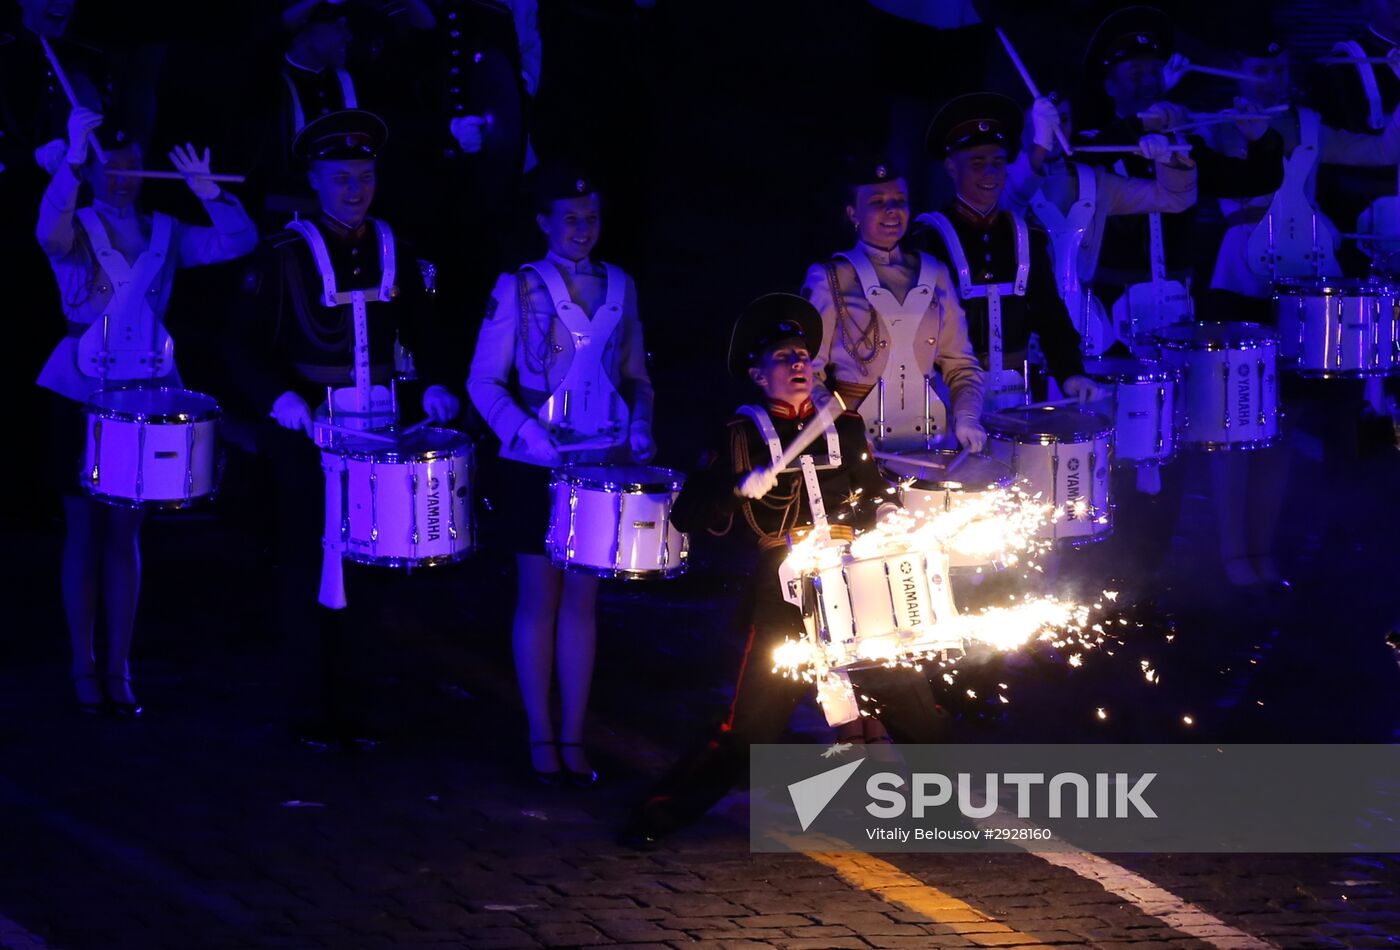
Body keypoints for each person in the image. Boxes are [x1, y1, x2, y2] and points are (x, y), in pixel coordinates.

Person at [622, 293, 948, 848]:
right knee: (751, 726)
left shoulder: (841, 427)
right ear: (757, 373)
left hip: (853, 586)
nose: (799, 364)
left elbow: (873, 494)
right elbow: (689, 514)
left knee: (913, 704)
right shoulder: (740, 435)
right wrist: (733, 488)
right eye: (782, 357)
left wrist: (891, 513)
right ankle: (665, 809)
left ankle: (958, 801)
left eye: (803, 354)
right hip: (782, 594)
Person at [226, 109, 460, 746]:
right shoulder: (282, 255)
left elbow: (426, 333)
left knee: (374, 566)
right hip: (308, 436)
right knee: (307, 564)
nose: (354, 190)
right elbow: (241, 346)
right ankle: (308, 706)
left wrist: (435, 382)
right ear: (315, 179)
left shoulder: (399, 251)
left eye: (364, 176)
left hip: (381, 435)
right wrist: (281, 399)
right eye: (340, 178)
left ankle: (360, 704)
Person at [36, 106, 258, 716]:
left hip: (146, 391)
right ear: (92, 170)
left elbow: (238, 241)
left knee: (125, 533)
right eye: (108, 167)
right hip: (81, 391)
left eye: (130, 166)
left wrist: (208, 192)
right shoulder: (75, 226)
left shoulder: (165, 232)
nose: (120, 177)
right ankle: (82, 665)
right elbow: (46, 233)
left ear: (143, 170)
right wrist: (71, 159)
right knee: (83, 530)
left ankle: (119, 664)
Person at [467, 164, 654, 785]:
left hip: (601, 460)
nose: (582, 228)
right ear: (544, 222)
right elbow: (483, 381)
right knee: (538, 598)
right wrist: (526, 433)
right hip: (535, 465)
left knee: (583, 602)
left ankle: (573, 735)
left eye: (591, 217)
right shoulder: (518, 287)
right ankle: (539, 735)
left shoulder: (621, 285)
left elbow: (635, 374)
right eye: (570, 217)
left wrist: (641, 425)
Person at [1205, 35, 1400, 587]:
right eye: (1256, 68)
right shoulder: (1213, 122)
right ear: (1237, 74)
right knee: (1235, 421)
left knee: (1280, 425)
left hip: (1304, 284)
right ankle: (1231, 555)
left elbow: (1387, 151)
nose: (1268, 79)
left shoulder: (1310, 125)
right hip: (1237, 285)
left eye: (1276, 69)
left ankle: (1262, 554)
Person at [907, 92, 1104, 409]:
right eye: (977, 163)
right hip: (948, 396)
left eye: (998, 163)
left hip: (1019, 395)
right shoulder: (929, 238)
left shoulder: (1026, 236)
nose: (990, 173)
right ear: (951, 167)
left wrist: (1071, 373)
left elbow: (1050, 315)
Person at [799, 157, 986, 454]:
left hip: (931, 439)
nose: (892, 210)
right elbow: (806, 372)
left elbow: (961, 364)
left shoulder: (934, 272)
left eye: (900, 200)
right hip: (858, 443)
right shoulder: (830, 277)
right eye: (877, 201)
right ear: (852, 213)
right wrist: (833, 422)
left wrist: (967, 416)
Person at [1004, 93, 1197, 356]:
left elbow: (1175, 199)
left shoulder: (1094, 182)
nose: (1056, 127)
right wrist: (1040, 146)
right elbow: (1014, 198)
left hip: (1087, 327)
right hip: (1022, 330)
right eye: (1046, 120)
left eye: (1063, 119)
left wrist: (1168, 159)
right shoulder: (998, 179)